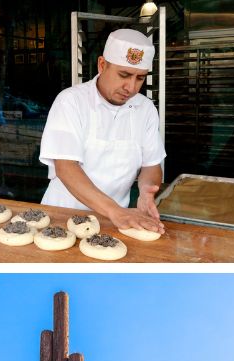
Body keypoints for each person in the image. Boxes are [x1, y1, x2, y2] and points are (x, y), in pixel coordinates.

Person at [39, 28, 165, 234]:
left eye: (140, 78)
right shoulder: (71, 101)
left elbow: (151, 165)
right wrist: (115, 211)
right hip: (62, 216)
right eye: (124, 75)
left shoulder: (145, 109)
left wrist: (145, 192)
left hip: (116, 223)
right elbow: (66, 167)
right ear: (102, 64)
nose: (131, 87)